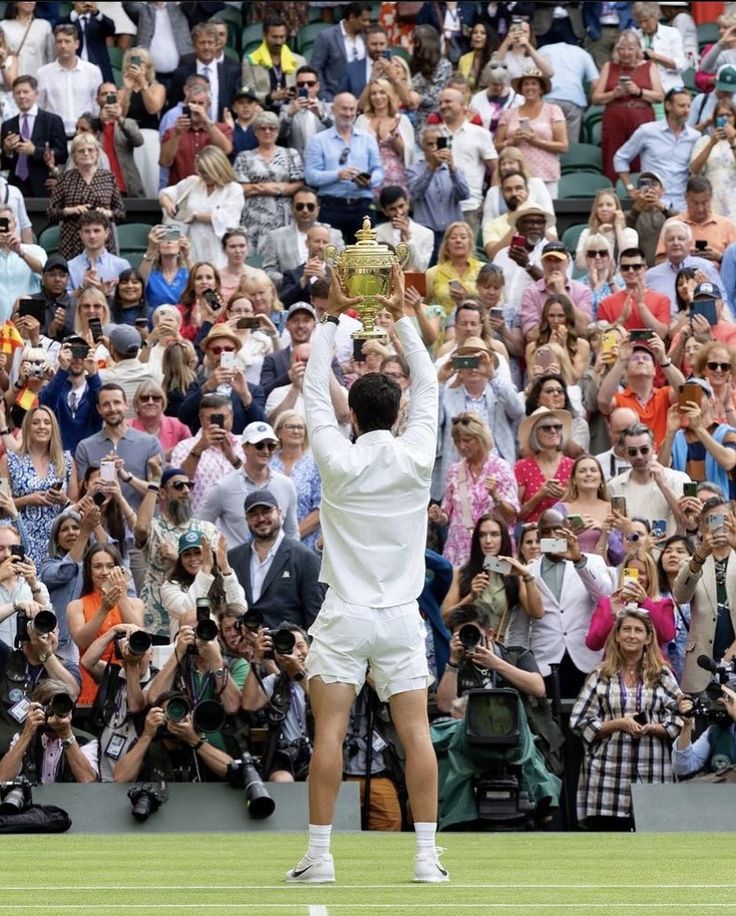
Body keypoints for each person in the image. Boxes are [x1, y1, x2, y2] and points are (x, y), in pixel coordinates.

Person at [289, 264, 446, 883]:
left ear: (350, 413)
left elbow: (308, 385)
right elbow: (429, 380)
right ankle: (427, 859)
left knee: (329, 730)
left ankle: (322, 856)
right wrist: (403, 314)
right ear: (397, 410)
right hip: (401, 617)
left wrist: (333, 315)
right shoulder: (414, 456)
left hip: (346, 615)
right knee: (415, 735)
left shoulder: (334, 456)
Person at [570, 607, 681, 830]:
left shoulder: (662, 675)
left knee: (652, 852)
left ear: (648, 638)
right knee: (608, 851)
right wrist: (617, 724)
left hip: (652, 771)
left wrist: (652, 727)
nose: (632, 635)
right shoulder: (601, 675)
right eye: (627, 629)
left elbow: (679, 718)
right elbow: (579, 721)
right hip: (607, 777)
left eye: (638, 630)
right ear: (617, 636)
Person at [227, 489, 323, 631]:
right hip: (242, 649)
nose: (260, 519)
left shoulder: (305, 558)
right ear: (246, 518)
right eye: (253, 514)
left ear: (279, 512)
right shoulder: (233, 558)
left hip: (286, 648)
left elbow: (315, 618)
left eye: (266, 511)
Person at [430, 413, 519, 567]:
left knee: (496, 589)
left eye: (467, 440)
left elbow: (512, 516)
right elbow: (449, 515)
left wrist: (496, 496)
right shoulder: (454, 471)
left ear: (481, 438)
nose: (462, 446)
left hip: (493, 549)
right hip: (459, 551)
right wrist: (439, 516)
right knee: (460, 590)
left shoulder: (501, 468)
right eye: (457, 441)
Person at [439, 513, 542, 639]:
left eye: (494, 534)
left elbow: (537, 613)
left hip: (499, 649)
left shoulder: (513, 573)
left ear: (503, 538)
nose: (488, 541)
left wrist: (526, 575)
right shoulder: (461, 572)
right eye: (482, 535)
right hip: (468, 646)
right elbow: (445, 620)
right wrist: (471, 597)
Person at [672, 495, 736, 694]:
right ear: (701, 526)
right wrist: (700, 554)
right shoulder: (691, 562)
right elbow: (681, 596)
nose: (718, 526)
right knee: (702, 724)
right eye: (711, 520)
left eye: (724, 519)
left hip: (733, 659)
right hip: (702, 665)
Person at [66, 544, 144, 706]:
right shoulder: (76, 605)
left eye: (110, 566)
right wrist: (104, 608)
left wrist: (121, 596)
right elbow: (82, 641)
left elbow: (140, 636)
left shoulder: (136, 603)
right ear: (89, 570)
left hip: (128, 680)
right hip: (91, 680)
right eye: (97, 567)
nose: (104, 572)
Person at [0, 406, 77, 569]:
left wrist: (63, 500)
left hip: (57, 543)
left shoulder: (67, 461)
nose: (42, 426)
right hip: (21, 539)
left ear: (53, 428)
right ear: (27, 427)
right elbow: (1, 504)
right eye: (36, 422)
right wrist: (27, 500)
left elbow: (75, 505)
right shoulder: (9, 461)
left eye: (47, 422)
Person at [201, 420, 298, 549]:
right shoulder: (223, 487)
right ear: (245, 447)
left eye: (271, 446)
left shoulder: (286, 485)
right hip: (237, 565)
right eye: (259, 445)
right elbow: (202, 527)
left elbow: (291, 531)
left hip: (277, 564)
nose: (265, 451)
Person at [304, 91, 383, 246]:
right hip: (331, 205)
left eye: (352, 109)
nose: (348, 114)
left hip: (362, 204)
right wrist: (338, 175)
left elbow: (378, 170)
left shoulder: (368, 139)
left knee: (363, 258)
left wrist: (369, 180)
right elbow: (310, 176)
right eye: (344, 109)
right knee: (330, 256)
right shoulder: (318, 140)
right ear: (333, 109)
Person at [75, 383, 163, 513]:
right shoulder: (85, 446)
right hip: (100, 525)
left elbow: (158, 494)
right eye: (106, 404)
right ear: (99, 409)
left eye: (117, 402)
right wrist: (101, 478)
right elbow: (83, 495)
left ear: (126, 405)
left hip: (140, 525)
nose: (112, 408)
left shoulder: (150, 443)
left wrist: (126, 477)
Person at [241, 622, 312, 783]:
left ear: (310, 648)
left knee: (314, 780)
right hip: (285, 754)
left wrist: (298, 673)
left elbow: (322, 703)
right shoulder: (276, 682)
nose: (297, 653)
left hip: (317, 751)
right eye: (290, 647)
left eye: (301, 646)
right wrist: (257, 659)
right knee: (281, 781)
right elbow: (249, 704)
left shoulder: (321, 679)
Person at [613, 87, 701, 213]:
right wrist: (631, 189)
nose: (687, 110)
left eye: (688, 106)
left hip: (682, 206)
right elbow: (620, 158)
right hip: (652, 205)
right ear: (668, 105)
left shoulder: (695, 136)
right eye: (682, 106)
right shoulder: (647, 131)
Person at [592, 31, 662, 182]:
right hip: (614, 120)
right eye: (622, 49)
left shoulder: (649, 66)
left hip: (642, 118)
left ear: (638, 49)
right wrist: (613, 94)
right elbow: (596, 98)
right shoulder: (609, 67)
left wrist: (639, 91)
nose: (626, 53)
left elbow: (659, 96)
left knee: (641, 157)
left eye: (630, 49)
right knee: (614, 157)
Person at [159, 146, 244, 270]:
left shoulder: (233, 189)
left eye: (206, 172)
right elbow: (164, 194)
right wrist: (168, 204)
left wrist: (197, 216)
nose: (202, 175)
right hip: (192, 242)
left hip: (217, 246)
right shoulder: (193, 182)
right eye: (200, 171)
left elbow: (229, 219)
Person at [46, 134, 125, 263]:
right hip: (72, 239)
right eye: (81, 151)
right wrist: (70, 210)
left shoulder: (108, 177)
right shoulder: (65, 178)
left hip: (101, 239)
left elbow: (120, 212)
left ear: (97, 154)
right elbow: (51, 213)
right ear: (74, 156)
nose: (86, 153)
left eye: (90, 150)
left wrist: (107, 213)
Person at [234, 111, 303, 253]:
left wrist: (257, 187)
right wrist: (279, 188)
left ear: (278, 131)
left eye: (272, 128)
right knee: (253, 259)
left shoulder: (291, 154)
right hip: (253, 216)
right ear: (255, 132)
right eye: (262, 128)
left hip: (283, 215)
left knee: (282, 256)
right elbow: (239, 189)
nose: (267, 131)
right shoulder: (244, 157)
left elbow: (297, 185)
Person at [494, 69, 568, 199]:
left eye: (534, 83)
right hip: (515, 178)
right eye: (526, 84)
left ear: (541, 88)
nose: (530, 87)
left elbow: (563, 146)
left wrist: (535, 140)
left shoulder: (553, 110)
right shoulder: (509, 113)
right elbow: (496, 146)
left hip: (546, 174)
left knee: (545, 214)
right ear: (521, 89)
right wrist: (512, 142)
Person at [586, 549, 676, 654]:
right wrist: (612, 613)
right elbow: (593, 643)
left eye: (642, 573)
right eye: (631, 572)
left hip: (650, 667)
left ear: (650, 576)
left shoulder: (663, 604)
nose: (636, 578)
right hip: (616, 666)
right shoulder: (607, 603)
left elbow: (667, 636)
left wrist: (645, 602)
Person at [606, 423, 690, 536]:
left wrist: (663, 485)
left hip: (671, 551)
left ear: (654, 448)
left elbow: (689, 523)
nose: (639, 456)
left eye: (644, 450)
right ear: (625, 454)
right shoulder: (614, 486)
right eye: (632, 452)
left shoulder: (679, 478)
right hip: (634, 551)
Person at [435, 86, 497, 238]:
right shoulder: (433, 134)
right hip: (438, 208)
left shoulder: (480, 133)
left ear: (463, 105)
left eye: (448, 101)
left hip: (469, 206)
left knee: (468, 258)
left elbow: (496, 168)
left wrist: (489, 200)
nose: (443, 106)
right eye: (441, 102)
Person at [406, 125, 471, 262]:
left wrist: (452, 169)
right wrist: (431, 168)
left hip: (451, 234)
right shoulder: (414, 171)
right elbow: (416, 194)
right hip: (426, 233)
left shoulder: (455, 170)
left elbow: (464, 195)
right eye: (430, 144)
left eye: (438, 143)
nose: (435, 147)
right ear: (422, 147)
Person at [1, 74, 67, 198]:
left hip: (43, 184)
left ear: (36, 93)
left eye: (25, 92)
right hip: (16, 185)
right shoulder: (8, 125)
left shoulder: (52, 120)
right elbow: (4, 164)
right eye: (17, 93)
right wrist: (7, 151)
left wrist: (35, 151)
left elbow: (62, 154)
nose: (21, 96)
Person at [159, 83, 233, 187]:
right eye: (193, 103)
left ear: (208, 106)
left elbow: (226, 150)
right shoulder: (173, 131)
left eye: (200, 103)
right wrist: (176, 134)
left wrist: (207, 121)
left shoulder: (222, 128)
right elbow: (164, 162)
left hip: (213, 191)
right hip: (182, 191)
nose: (196, 107)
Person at [36, 23, 101, 138]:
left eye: (67, 41)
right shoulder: (43, 73)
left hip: (85, 135)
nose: (63, 45)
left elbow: (97, 106)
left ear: (76, 44)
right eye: (59, 41)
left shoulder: (93, 71)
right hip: (55, 136)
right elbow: (39, 107)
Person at [654, 175, 736, 264]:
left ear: (711, 198)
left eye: (704, 203)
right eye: (695, 203)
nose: (700, 209)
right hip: (680, 276)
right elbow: (659, 263)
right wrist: (682, 257)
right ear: (686, 198)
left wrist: (720, 258)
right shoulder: (672, 225)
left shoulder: (727, 226)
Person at [168, 21, 240, 122]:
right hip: (191, 132)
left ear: (216, 45)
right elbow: (174, 107)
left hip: (221, 131)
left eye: (210, 43)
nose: (206, 47)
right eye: (202, 43)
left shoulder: (232, 72)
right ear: (194, 45)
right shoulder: (181, 74)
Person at [271, 410, 321, 550]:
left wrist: (290, 539)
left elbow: (320, 509)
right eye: (291, 427)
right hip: (268, 542)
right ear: (279, 433)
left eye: (300, 427)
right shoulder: (268, 462)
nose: (296, 431)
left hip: (306, 545)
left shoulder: (314, 464)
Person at [645, 219, 720, 314]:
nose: (676, 243)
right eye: (670, 239)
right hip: (663, 326)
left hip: (701, 323)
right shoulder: (651, 276)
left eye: (681, 239)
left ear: (690, 243)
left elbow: (721, 302)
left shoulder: (706, 267)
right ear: (664, 244)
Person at [355, 77, 414, 198]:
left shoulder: (402, 120)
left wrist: (394, 138)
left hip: (397, 179)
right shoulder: (362, 120)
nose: (378, 97)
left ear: (389, 95)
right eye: (373, 93)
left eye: (382, 92)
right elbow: (356, 150)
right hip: (370, 179)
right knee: (369, 217)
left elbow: (409, 154)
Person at [515, 407, 575, 524]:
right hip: (533, 536)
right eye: (546, 428)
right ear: (535, 433)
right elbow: (515, 516)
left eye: (557, 427)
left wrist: (566, 496)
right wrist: (538, 496)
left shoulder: (573, 466)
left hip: (565, 534)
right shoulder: (521, 467)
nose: (553, 431)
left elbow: (584, 507)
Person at [597, 247, 671, 338]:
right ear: (620, 271)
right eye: (625, 268)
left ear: (645, 268)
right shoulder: (606, 304)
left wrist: (641, 306)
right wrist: (622, 318)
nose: (631, 271)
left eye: (636, 267)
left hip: (650, 350)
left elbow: (661, 334)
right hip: (618, 351)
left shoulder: (662, 300)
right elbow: (602, 339)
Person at [241, 15, 307, 114]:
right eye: (274, 37)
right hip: (262, 112)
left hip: (292, 111)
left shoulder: (299, 61)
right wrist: (270, 97)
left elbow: (305, 90)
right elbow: (247, 93)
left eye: (282, 37)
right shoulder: (250, 61)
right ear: (264, 35)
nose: (278, 42)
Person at [310, 2, 372, 102]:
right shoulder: (326, 36)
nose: (367, 24)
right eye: (364, 20)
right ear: (352, 17)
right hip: (334, 97)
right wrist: (325, 96)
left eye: (368, 20)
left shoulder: (367, 36)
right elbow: (315, 69)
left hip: (363, 100)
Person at [94, 81, 144, 198]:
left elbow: (138, 141)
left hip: (125, 186)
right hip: (99, 187)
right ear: (97, 99)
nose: (108, 96)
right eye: (104, 93)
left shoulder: (128, 123)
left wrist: (120, 120)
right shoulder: (92, 124)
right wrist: (100, 123)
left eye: (112, 93)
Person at [525, 295, 591, 384]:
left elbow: (573, 380)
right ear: (546, 318)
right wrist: (550, 347)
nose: (556, 321)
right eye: (551, 316)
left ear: (568, 317)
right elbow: (533, 381)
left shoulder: (582, 345)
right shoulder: (532, 347)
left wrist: (563, 347)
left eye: (561, 316)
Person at [426, 222, 483, 317]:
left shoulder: (483, 270)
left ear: (470, 242)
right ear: (446, 244)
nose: (458, 240)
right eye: (453, 237)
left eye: (463, 237)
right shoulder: (432, 273)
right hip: (442, 328)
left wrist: (467, 297)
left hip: (475, 326)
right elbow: (423, 306)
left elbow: (494, 300)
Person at [575, 190, 640, 273]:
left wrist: (618, 227)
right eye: (600, 205)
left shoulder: (629, 233)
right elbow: (581, 265)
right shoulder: (587, 233)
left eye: (609, 205)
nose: (604, 209)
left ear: (617, 209)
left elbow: (630, 258)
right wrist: (598, 236)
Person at [375, 186, 434, 274]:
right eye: (392, 209)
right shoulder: (376, 233)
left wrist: (409, 239)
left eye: (401, 206)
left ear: (407, 203)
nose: (399, 212)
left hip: (414, 284)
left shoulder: (426, 234)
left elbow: (421, 268)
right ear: (385, 211)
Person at [278, 65, 333, 159]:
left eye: (310, 84)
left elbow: (339, 131)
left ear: (317, 86)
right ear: (296, 87)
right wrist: (290, 115)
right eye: (301, 84)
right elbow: (279, 135)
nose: (306, 87)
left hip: (324, 162)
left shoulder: (328, 108)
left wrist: (322, 116)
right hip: (298, 163)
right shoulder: (287, 109)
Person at [633, 1, 687, 94]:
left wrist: (654, 56)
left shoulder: (672, 33)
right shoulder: (634, 36)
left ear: (656, 16)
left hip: (670, 88)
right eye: (640, 22)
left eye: (646, 20)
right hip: (643, 88)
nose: (643, 25)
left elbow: (680, 65)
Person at [130, 381, 190, 461]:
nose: (150, 402)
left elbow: (191, 451)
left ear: (163, 402)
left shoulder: (178, 425)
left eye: (156, 398)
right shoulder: (127, 427)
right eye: (144, 398)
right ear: (137, 403)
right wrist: (164, 455)